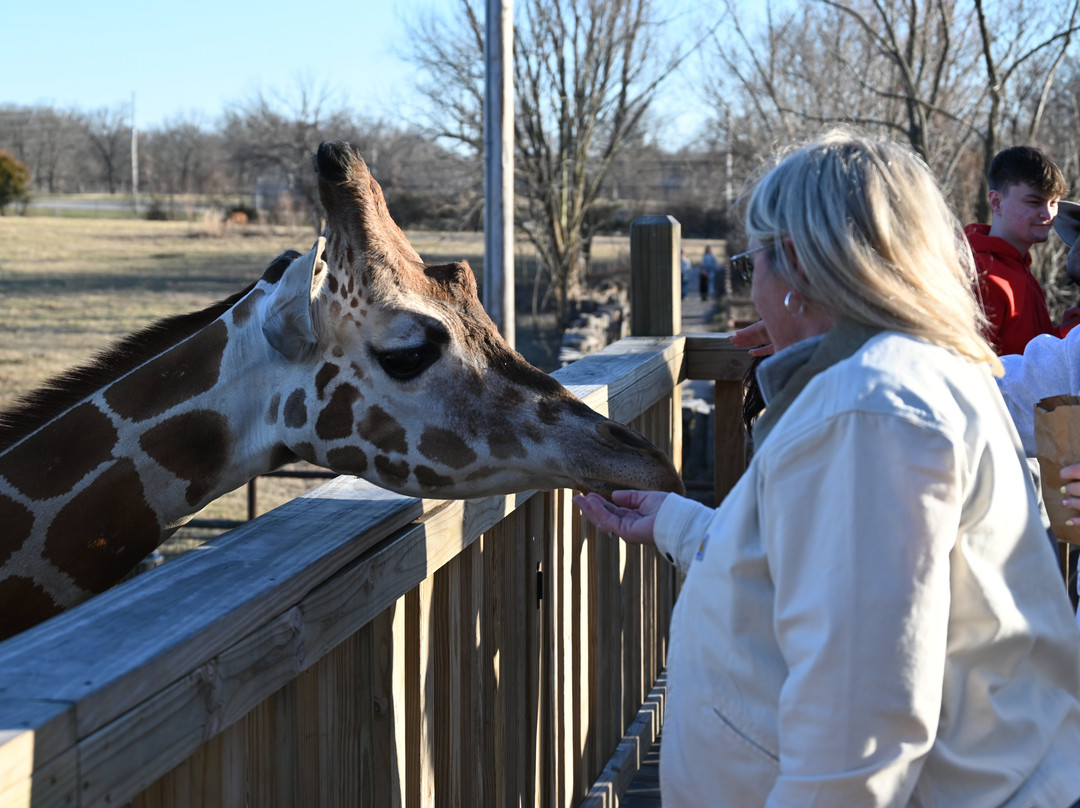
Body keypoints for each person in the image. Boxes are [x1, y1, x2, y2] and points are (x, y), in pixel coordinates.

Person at [575, 131, 1080, 807]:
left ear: (795, 266)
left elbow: (859, 738)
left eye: (750, 266)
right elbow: (838, 576)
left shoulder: (869, 411)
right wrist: (682, 525)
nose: (753, 290)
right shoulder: (907, 379)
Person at [964, 145, 1074, 355]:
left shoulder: (1020, 266)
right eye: (1034, 202)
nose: (1047, 214)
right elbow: (969, 366)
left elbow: (1025, 351)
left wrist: (1067, 333)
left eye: (1053, 203)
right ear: (996, 202)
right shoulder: (979, 274)